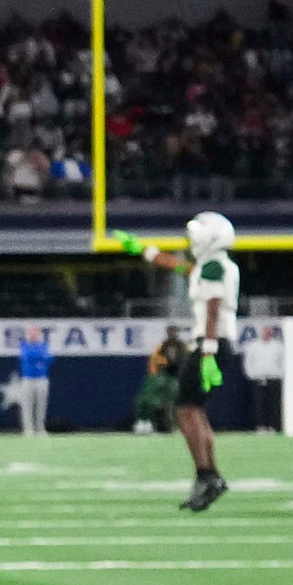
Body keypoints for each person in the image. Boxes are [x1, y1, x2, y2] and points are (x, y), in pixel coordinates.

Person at [116, 212, 238, 509]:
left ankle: (206, 475)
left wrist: (207, 352)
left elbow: (212, 308)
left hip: (210, 343)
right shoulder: (215, 265)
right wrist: (145, 251)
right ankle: (210, 475)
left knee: (185, 410)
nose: (190, 242)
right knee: (192, 409)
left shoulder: (213, 267)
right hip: (215, 343)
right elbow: (182, 268)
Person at [244, 323, 286, 433]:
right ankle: (260, 425)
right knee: (259, 404)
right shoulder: (253, 345)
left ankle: (273, 426)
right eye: (265, 331)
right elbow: (248, 361)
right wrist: (251, 374)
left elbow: (283, 362)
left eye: (269, 331)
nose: (267, 333)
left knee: (273, 404)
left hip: (274, 378)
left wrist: (280, 374)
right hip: (258, 378)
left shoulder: (278, 346)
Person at [15, 326, 53, 437]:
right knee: (27, 405)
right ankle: (28, 429)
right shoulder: (24, 345)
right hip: (28, 379)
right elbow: (27, 356)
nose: (33, 336)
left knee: (41, 405)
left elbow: (49, 358)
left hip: (42, 379)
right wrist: (40, 358)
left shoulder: (44, 345)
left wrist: (39, 357)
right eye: (31, 334)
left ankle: (40, 428)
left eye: (35, 334)